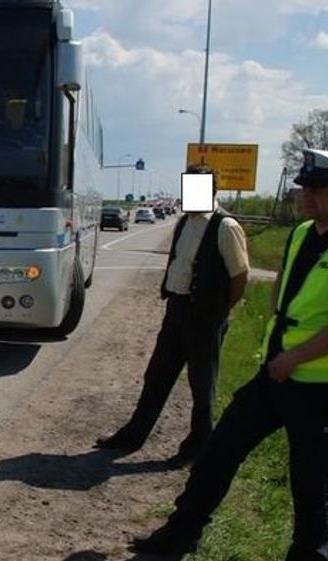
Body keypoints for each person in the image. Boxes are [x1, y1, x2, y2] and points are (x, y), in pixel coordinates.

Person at [130, 148, 328, 561]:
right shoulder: (303, 234)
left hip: (322, 386)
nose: (307, 197)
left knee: (312, 479)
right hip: (277, 374)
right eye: (304, 189)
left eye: (318, 190)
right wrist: (278, 354)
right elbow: (287, 296)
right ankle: (181, 533)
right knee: (219, 450)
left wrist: (294, 358)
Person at [95, 164, 250, 464]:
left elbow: (240, 276)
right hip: (176, 309)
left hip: (205, 317)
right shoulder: (184, 222)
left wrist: (219, 311)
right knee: (157, 375)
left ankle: (198, 447)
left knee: (202, 385)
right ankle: (133, 435)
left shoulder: (225, 226)